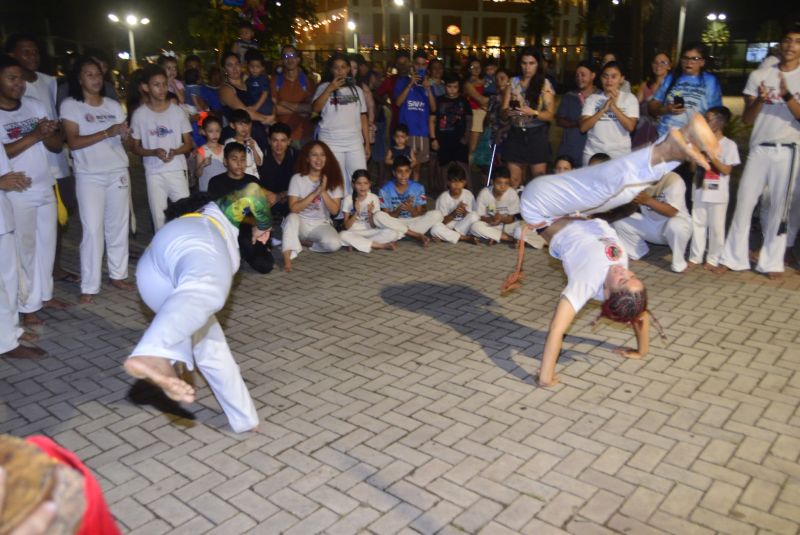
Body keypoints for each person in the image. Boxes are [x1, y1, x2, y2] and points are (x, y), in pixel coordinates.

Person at [501, 114, 719, 387]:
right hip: (572, 211)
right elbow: (641, 317)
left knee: (602, 185)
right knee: (625, 193)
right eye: (632, 277)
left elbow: (557, 330)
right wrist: (641, 351)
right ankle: (679, 149)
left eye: (623, 280)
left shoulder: (588, 281)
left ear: (609, 293)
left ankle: (670, 146)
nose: (624, 272)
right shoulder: (622, 285)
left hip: (540, 206)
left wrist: (546, 377)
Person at [123, 183, 271, 433]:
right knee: (207, 289)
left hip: (150, 276)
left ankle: (245, 419)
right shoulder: (214, 214)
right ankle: (155, 352)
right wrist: (264, 225)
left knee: (210, 345)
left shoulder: (177, 230)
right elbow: (254, 193)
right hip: (191, 246)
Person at [717, 23, 800, 279]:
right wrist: (762, 100)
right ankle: (734, 257)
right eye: (787, 40)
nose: (790, 45)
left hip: (788, 149)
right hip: (759, 148)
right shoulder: (760, 75)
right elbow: (747, 120)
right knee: (744, 201)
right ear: (780, 43)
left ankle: (771, 262)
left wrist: (786, 96)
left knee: (779, 208)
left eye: (797, 41)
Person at [60, 56, 135, 304]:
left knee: (118, 226)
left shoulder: (113, 106)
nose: (95, 79)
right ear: (80, 78)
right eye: (89, 74)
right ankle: (89, 285)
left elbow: (123, 140)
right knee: (92, 229)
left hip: (117, 171)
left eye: (98, 74)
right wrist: (107, 132)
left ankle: (118, 273)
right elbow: (73, 142)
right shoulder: (71, 106)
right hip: (89, 175)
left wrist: (125, 135)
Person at [0, 54, 68, 326]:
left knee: (46, 247)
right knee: (24, 251)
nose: (19, 84)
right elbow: (4, 150)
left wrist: (51, 131)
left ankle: (44, 295)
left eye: (21, 79)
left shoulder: (34, 104)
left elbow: (54, 146)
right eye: (11, 78)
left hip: (43, 184)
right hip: (17, 193)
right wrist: (35, 135)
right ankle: (27, 305)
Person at [6, 33, 76, 283]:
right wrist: (35, 135)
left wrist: (50, 134)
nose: (32, 56)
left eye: (35, 51)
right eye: (25, 51)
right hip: (19, 181)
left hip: (50, 173)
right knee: (25, 241)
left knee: (52, 233)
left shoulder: (42, 93)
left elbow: (56, 137)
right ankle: (28, 295)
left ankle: (47, 284)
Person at [130, 64, 193, 231]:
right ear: (146, 87)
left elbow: (188, 143)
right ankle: (163, 253)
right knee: (159, 217)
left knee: (185, 214)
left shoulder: (177, 112)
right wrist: (153, 152)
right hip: (153, 172)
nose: (162, 89)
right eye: (156, 85)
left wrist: (175, 151)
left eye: (164, 84)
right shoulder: (140, 115)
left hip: (177, 169)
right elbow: (135, 147)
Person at [0, 144, 46, 358]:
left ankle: (10, 332)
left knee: (10, 280)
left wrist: (14, 181)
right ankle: (6, 344)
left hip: (3, 218)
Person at [207, 142, 274, 274]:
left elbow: (263, 210)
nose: (239, 163)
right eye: (234, 159)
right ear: (225, 161)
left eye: (243, 159)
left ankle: (246, 252)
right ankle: (235, 253)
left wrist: (265, 236)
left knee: (265, 265)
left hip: (249, 231)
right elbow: (220, 214)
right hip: (227, 230)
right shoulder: (216, 183)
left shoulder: (252, 181)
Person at [688, 106, 740, 269]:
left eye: (708, 118)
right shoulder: (698, 141)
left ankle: (713, 259)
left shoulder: (729, 145)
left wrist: (711, 156)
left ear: (720, 122)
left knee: (716, 228)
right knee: (698, 224)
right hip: (699, 189)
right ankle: (695, 257)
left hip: (718, 193)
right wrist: (695, 155)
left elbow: (726, 170)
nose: (704, 122)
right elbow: (691, 169)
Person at [312, 52, 370, 196]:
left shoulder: (357, 90)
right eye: (336, 67)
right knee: (336, 179)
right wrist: (330, 89)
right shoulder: (324, 87)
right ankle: (338, 214)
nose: (340, 70)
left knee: (359, 177)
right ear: (331, 70)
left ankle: (357, 210)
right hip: (331, 141)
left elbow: (363, 118)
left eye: (343, 67)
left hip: (354, 141)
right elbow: (315, 108)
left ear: (348, 69)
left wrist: (367, 143)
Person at [611, 172, 693, 273]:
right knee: (619, 220)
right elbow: (629, 208)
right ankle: (637, 252)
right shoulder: (638, 179)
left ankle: (679, 264)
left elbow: (672, 212)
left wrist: (648, 200)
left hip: (677, 222)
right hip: (652, 224)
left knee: (676, 226)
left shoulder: (674, 179)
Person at [281, 141, 344, 271]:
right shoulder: (297, 179)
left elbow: (334, 211)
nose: (319, 159)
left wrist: (323, 190)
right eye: (314, 155)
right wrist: (315, 192)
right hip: (300, 223)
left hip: (321, 224)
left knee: (334, 244)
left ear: (327, 158)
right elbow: (293, 208)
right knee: (292, 217)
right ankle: (287, 256)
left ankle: (306, 244)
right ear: (307, 159)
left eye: (322, 155)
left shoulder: (334, 180)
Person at [502, 47, 556, 185]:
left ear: (538, 64)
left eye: (531, 63)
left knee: (538, 180)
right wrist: (508, 112)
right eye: (524, 63)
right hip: (516, 132)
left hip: (536, 134)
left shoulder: (544, 84)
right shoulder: (513, 82)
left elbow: (550, 115)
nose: (527, 67)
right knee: (514, 180)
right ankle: (516, 205)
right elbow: (503, 111)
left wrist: (533, 112)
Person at [649, 42, 723, 137]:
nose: (689, 62)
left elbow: (716, 114)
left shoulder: (710, 81)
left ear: (702, 62)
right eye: (685, 58)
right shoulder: (671, 78)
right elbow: (652, 105)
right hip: (665, 135)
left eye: (695, 59)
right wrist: (666, 109)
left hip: (693, 138)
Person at [580, 61, 639, 166]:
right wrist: (602, 110)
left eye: (613, 77)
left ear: (621, 79)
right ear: (601, 78)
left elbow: (631, 127)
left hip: (620, 155)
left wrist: (613, 107)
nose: (609, 81)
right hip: (594, 153)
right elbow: (583, 127)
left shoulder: (629, 98)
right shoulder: (592, 99)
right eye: (605, 76)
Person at [375, 156, 443, 245]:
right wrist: (398, 210)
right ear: (394, 173)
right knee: (377, 216)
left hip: (413, 222)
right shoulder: (384, 190)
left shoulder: (419, 188)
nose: (404, 175)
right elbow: (386, 216)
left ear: (410, 171)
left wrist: (411, 209)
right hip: (395, 221)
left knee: (437, 214)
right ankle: (415, 235)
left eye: (407, 171)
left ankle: (401, 234)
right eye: (400, 172)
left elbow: (421, 213)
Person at [393, 50, 435, 181]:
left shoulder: (428, 84)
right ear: (412, 65)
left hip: (422, 132)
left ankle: (413, 196)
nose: (420, 67)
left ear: (426, 66)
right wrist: (410, 84)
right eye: (417, 64)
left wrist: (428, 88)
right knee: (403, 167)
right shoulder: (402, 81)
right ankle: (402, 194)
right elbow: (398, 102)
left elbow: (434, 108)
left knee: (417, 168)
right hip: (406, 132)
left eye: (423, 64)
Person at [218, 52, 273, 148]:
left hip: (258, 134)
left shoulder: (249, 83)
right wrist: (266, 119)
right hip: (238, 139)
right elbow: (244, 112)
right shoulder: (226, 89)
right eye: (230, 65)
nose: (235, 68)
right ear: (224, 69)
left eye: (237, 64)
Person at [340, 169, 402, 253]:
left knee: (393, 233)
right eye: (359, 183)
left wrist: (370, 214)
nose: (362, 187)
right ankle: (380, 245)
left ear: (369, 184)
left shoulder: (374, 198)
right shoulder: (348, 199)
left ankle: (358, 243)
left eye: (365, 183)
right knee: (342, 235)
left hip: (370, 231)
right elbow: (346, 226)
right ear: (353, 184)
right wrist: (356, 213)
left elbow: (373, 226)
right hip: (354, 231)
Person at [429, 72, 471, 186]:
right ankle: (444, 194)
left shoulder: (463, 101)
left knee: (463, 166)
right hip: (443, 139)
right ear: (444, 86)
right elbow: (432, 120)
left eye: (455, 87)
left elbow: (469, 120)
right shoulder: (439, 101)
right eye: (449, 87)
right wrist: (433, 139)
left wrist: (466, 137)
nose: (452, 90)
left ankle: (469, 194)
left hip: (460, 140)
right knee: (444, 168)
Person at [556, 61, 599, 167]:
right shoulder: (569, 96)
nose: (579, 78)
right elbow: (559, 120)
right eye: (577, 75)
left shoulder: (601, 97)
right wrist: (576, 124)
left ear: (593, 75)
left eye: (583, 75)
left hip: (594, 150)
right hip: (571, 149)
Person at [271, 45, 315, 145]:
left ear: (298, 59)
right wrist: (301, 109)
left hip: (305, 135)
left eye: (292, 55)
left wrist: (284, 103)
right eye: (285, 56)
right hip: (282, 138)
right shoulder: (275, 81)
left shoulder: (308, 82)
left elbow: (311, 108)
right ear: (282, 60)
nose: (289, 59)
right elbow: (274, 109)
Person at [470, 167, 522, 245]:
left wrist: (501, 218)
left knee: (519, 229)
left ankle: (494, 236)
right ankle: (509, 238)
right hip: (491, 224)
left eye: (506, 183)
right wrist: (491, 219)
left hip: (507, 225)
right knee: (475, 227)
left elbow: (511, 219)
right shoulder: (484, 193)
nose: (502, 187)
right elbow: (480, 216)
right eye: (499, 183)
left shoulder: (512, 194)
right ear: (492, 182)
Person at [430, 164, 479, 244]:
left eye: (460, 182)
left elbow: (474, 216)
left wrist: (465, 212)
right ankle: (465, 238)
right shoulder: (442, 198)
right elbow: (441, 222)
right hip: (449, 225)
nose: (457, 185)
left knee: (474, 216)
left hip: (464, 225)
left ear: (465, 182)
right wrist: (453, 214)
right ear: (448, 183)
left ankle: (449, 236)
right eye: (453, 181)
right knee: (435, 229)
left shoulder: (469, 195)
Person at [258, 122, 296, 222]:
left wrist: (281, 195)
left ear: (289, 141)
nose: (279, 145)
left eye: (283, 140)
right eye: (275, 140)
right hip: (267, 200)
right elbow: (251, 181)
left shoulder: (297, 156)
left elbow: (304, 185)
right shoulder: (260, 156)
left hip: (290, 199)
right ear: (269, 141)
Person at [633, 52, 671, 148]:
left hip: (665, 131)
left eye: (663, 62)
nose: (659, 65)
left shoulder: (674, 87)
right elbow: (634, 108)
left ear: (669, 66)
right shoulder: (645, 85)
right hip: (644, 130)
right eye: (656, 62)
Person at [376, 50, 411, 132]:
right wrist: (387, 105)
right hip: (396, 123)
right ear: (396, 65)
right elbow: (377, 94)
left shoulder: (414, 79)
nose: (403, 66)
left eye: (405, 62)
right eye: (400, 63)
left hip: (412, 122)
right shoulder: (391, 80)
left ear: (410, 63)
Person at [463, 57, 490, 159]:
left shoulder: (486, 81)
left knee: (484, 146)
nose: (476, 69)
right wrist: (493, 99)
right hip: (475, 114)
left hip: (486, 113)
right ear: (469, 69)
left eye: (478, 67)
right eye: (473, 67)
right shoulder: (468, 84)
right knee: (473, 147)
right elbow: (480, 99)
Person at [224, 109, 262, 177]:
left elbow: (259, 163)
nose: (244, 127)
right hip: (237, 179)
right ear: (232, 125)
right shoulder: (229, 142)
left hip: (253, 179)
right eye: (240, 124)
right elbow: (225, 163)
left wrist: (253, 148)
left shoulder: (252, 142)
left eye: (246, 124)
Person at [195, 115, 226, 193]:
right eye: (211, 131)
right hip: (208, 190)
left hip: (224, 189)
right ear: (204, 132)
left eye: (217, 131)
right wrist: (202, 165)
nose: (215, 134)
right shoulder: (202, 150)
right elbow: (197, 174)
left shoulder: (225, 148)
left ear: (221, 131)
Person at [244, 50, 275, 120]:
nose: (254, 69)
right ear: (248, 66)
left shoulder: (263, 78)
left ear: (262, 68)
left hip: (263, 106)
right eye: (252, 66)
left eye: (258, 66)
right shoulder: (248, 80)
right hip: (254, 106)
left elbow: (265, 93)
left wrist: (256, 107)